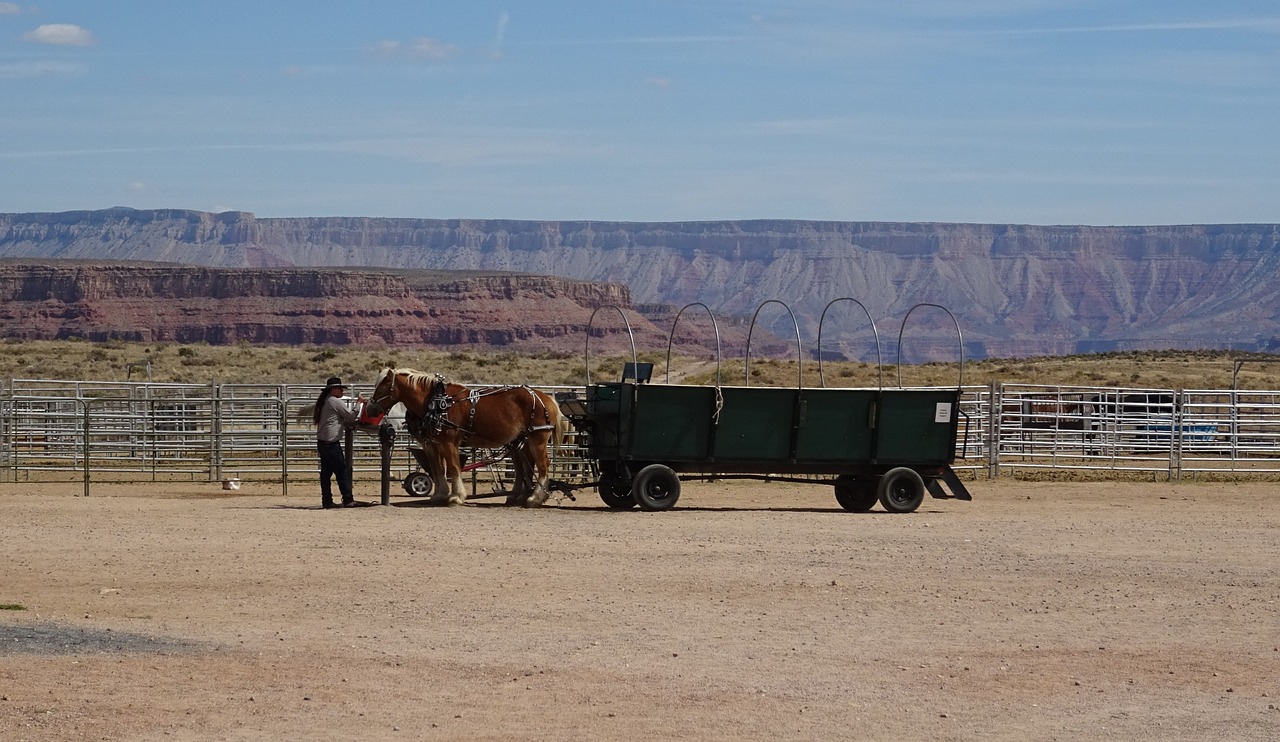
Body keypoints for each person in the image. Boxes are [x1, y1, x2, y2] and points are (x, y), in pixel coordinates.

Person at [313, 376, 364, 509]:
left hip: (323, 441)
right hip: (331, 442)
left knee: (326, 473)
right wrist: (359, 404)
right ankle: (347, 499)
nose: (342, 391)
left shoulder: (325, 401)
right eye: (340, 389)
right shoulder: (334, 402)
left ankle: (327, 500)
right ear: (333, 389)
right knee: (341, 470)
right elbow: (351, 416)